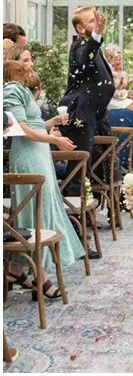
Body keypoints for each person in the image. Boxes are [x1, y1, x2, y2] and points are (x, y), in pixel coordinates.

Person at [3, 59, 84, 300]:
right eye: (25, 66)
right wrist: (56, 141)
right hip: (28, 155)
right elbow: (23, 130)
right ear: (13, 71)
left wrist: (52, 125)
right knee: (34, 210)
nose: (30, 69)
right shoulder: (12, 89)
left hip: (38, 154)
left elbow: (34, 124)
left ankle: (17, 270)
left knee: (44, 208)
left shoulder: (21, 90)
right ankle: (39, 274)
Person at [58, 7, 116, 172]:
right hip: (81, 114)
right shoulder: (79, 46)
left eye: (96, 19)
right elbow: (85, 59)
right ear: (80, 28)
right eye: (92, 21)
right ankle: (76, 198)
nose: (97, 23)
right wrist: (97, 34)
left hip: (97, 114)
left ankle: (101, 197)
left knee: (105, 166)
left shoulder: (93, 46)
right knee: (81, 168)